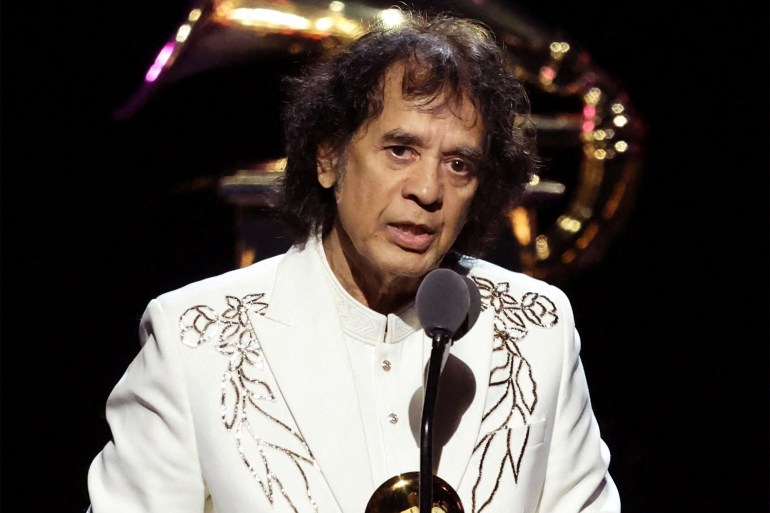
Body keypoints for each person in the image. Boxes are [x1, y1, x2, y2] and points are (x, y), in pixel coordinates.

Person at [87, 9, 620, 513]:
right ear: (328, 157)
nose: (428, 189)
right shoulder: (191, 337)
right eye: (400, 150)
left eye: (458, 164)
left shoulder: (538, 325)